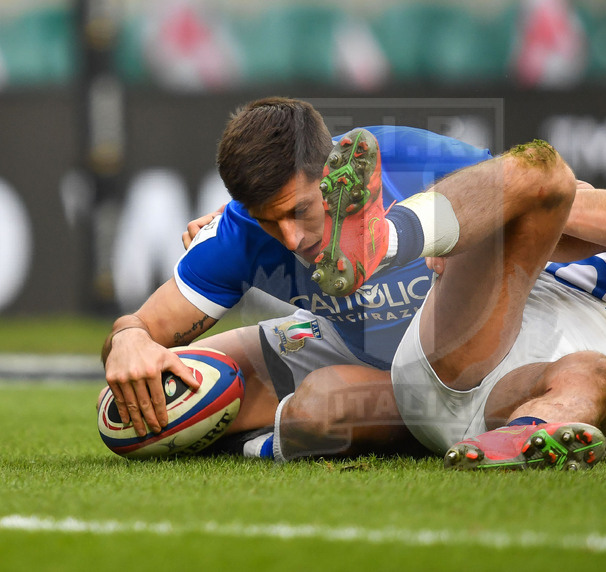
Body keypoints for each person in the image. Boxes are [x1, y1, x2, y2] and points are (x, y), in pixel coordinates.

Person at [101, 96, 491, 458]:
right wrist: (127, 339)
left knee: (321, 410)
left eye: (300, 210)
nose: (292, 239)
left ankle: (275, 438)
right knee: (143, 406)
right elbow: (142, 329)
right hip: (348, 344)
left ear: (331, 168)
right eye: (268, 220)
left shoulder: (409, 160)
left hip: (464, 348)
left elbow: (540, 192)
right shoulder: (238, 231)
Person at [389, 101, 606, 469]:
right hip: (454, 352)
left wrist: (521, 200)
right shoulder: (567, 197)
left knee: (596, 372)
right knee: (536, 166)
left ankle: (527, 436)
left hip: (520, 395)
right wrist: (498, 211)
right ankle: (385, 237)